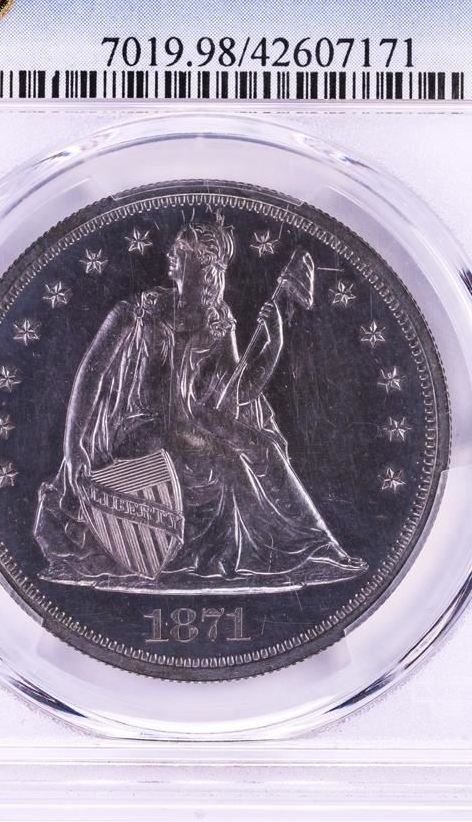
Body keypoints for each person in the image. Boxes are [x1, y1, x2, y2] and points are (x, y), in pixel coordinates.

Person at [34, 213, 366, 591]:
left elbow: (239, 393)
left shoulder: (218, 322)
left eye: (184, 252)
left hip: (191, 422)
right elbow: (90, 376)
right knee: (226, 461)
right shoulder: (135, 312)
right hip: (139, 430)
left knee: (264, 448)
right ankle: (259, 555)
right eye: (178, 250)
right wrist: (74, 448)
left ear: (206, 268)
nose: (173, 256)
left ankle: (315, 549)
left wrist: (273, 342)